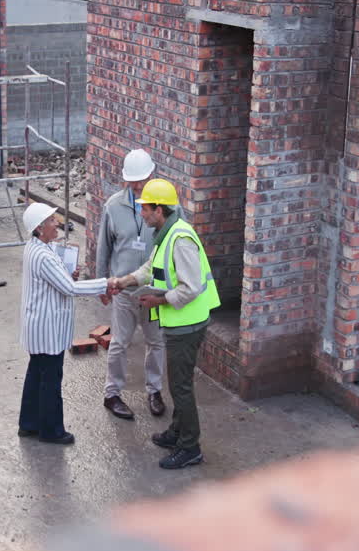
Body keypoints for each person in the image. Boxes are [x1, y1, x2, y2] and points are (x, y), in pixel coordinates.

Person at [111, 179, 220, 470]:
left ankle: (190, 447)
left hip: (187, 324)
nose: (142, 213)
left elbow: (191, 287)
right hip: (179, 322)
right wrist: (124, 281)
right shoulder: (166, 233)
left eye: (145, 208)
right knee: (178, 384)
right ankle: (177, 432)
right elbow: (150, 268)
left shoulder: (180, 239)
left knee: (181, 388)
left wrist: (159, 301)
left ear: (159, 209)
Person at [17, 202, 113, 445]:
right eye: (51, 220)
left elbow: (58, 280)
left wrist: (67, 274)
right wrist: (105, 284)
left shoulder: (36, 247)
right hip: (46, 328)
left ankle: (28, 424)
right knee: (50, 379)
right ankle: (51, 431)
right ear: (39, 228)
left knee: (36, 374)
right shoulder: (43, 255)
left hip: (39, 324)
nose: (57, 223)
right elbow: (70, 288)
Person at [95, 148, 167, 421]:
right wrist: (102, 284)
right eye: (132, 181)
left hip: (154, 290)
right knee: (119, 343)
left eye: (142, 181)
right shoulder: (113, 206)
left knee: (156, 342)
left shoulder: (166, 207)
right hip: (123, 290)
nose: (137, 187)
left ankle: (155, 391)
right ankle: (112, 393)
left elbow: (177, 245)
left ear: (151, 175)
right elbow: (104, 247)